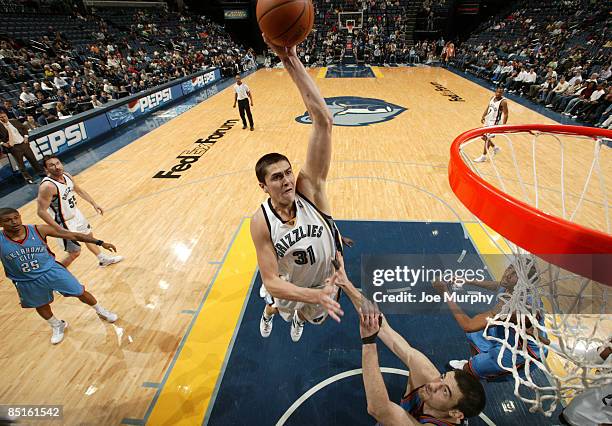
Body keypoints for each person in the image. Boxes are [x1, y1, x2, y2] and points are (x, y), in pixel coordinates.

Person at [250, 34, 343, 343]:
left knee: (305, 316)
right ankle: (267, 314)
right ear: (264, 186)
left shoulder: (309, 189)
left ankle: (299, 317)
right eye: (277, 178)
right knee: (279, 306)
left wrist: (289, 58)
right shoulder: (261, 221)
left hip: (324, 285)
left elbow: (323, 121)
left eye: (288, 172)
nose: (288, 180)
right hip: (293, 287)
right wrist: (311, 297)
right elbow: (272, 282)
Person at [329, 253, 487, 425]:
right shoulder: (428, 375)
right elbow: (382, 327)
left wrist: (368, 343)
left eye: (445, 391)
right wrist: (345, 283)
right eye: (442, 377)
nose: (433, 384)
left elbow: (379, 409)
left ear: (456, 413)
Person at [0, 207, 118, 344]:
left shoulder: (39, 230)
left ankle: (100, 310)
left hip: (52, 271)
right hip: (26, 280)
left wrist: (100, 242)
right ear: (0, 224)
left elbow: (72, 235)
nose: (14, 222)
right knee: (41, 305)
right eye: (7, 220)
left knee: (80, 292)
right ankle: (57, 324)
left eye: (16, 217)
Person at [432, 264, 548, 380]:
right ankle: (474, 363)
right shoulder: (512, 287)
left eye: (515, 275)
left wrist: (445, 293)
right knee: (475, 335)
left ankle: (470, 371)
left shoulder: (517, 307)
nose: (507, 275)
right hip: (508, 334)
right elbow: (497, 286)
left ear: (525, 284)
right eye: (509, 268)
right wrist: (467, 281)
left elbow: (468, 325)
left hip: (520, 351)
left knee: (477, 361)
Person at [37, 155, 123, 268]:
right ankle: (55, 275)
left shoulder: (66, 176)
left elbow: (79, 190)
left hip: (75, 214)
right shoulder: (47, 186)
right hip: (64, 222)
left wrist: (94, 203)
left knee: (88, 235)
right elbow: (41, 211)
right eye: (51, 165)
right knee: (75, 253)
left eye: (57, 163)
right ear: (46, 169)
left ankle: (102, 259)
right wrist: (57, 228)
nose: (56, 167)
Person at [0, 108, 45, 184]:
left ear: (6, 116)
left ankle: (41, 172)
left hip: (23, 144)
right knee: (21, 165)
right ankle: (28, 178)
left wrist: (26, 137)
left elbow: (24, 128)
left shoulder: (14, 121)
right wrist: (3, 143)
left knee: (33, 159)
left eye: (4, 116)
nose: (3, 118)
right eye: (1, 117)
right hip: (14, 147)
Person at [474, 86, 508, 163]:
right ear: (495, 91)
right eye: (497, 92)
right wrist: (483, 116)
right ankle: (495, 148)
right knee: (483, 136)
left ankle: (483, 156)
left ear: (502, 93)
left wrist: (504, 125)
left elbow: (506, 113)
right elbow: (488, 107)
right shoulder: (492, 98)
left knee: (487, 138)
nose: (498, 93)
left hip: (494, 122)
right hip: (488, 120)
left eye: (500, 92)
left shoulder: (503, 102)